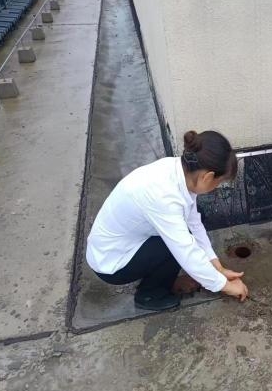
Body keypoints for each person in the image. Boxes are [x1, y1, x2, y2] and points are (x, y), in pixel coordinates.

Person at [86, 130, 249, 311]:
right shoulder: (163, 195)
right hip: (111, 262)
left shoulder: (179, 171)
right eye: (218, 183)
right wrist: (224, 286)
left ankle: (161, 279)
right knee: (172, 246)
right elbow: (185, 251)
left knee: (186, 229)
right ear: (207, 177)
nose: (216, 188)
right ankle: (149, 295)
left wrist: (216, 266)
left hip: (124, 243)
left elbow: (194, 222)